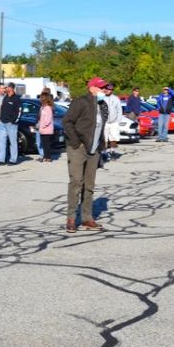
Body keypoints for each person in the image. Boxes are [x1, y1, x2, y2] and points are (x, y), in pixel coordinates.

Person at [63, 78, 110, 232]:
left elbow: (100, 128)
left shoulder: (103, 105)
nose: (104, 90)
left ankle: (87, 218)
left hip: (94, 149)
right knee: (76, 182)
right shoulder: (80, 102)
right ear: (92, 88)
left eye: (105, 88)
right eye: (101, 87)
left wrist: (101, 148)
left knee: (89, 186)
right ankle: (71, 219)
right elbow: (67, 122)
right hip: (78, 148)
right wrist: (76, 142)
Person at [0, 84, 22, 165]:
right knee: (1, 142)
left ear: (11, 88)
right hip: (3, 122)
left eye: (7, 87)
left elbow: (19, 111)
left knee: (13, 142)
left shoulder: (16, 99)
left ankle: (13, 160)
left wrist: (14, 121)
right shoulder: (5, 97)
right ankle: (0, 160)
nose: (5, 89)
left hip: (11, 124)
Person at [101, 82, 124, 162]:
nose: (108, 91)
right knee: (104, 138)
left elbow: (119, 110)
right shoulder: (101, 98)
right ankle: (103, 153)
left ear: (112, 90)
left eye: (110, 89)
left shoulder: (116, 99)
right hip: (105, 122)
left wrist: (118, 120)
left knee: (114, 138)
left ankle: (113, 151)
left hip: (114, 122)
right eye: (107, 89)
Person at [35, 89, 57, 163]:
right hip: (42, 129)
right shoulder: (42, 107)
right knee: (44, 144)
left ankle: (48, 158)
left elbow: (48, 119)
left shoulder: (47, 108)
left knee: (46, 144)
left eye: (41, 97)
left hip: (46, 129)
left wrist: (42, 125)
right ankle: (45, 157)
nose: (40, 99)